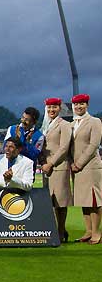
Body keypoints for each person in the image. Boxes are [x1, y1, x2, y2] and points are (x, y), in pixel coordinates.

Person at [69, 94, 102, 244]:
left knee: (94, 200)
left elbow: (93, 145)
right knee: (84, 200)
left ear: (87, 105)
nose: (78, 107)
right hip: (77, 168)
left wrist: (79, 164)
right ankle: (88, 231)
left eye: (81, 104)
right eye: (76, 104)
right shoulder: (72, 124)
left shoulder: (95, 121)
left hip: (90, 166)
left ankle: (96, 232)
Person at [39, 97, 72, 243]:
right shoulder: (45, 126)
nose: (51, 110)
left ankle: (60, 231)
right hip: (46, 168)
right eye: (49, 107)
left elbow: (64, 147)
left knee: (60, 202)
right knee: (50, 202)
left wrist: (50, 163)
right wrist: (42, 162)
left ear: (59, 108)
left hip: (59, 166)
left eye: (54, 107)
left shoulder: (64, 125)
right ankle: (58, 230)